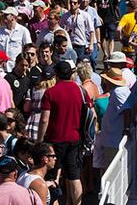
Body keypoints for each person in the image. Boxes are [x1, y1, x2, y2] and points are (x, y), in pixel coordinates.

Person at [37, 61, 86, 205]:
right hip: (75, 139)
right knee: (74, 176)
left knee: (51, 177)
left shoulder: (50, 92)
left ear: (56, 75)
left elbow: (44, 120)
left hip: (54, 141)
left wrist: (40, 141)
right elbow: (91, 113)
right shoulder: (80, 90)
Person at [95, 69, 131, 170]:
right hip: (111, 138)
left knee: (111, 169)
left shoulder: (118, 92)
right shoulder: (119, 91)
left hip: (114, 139)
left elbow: (127, 110)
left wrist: (127, 128)